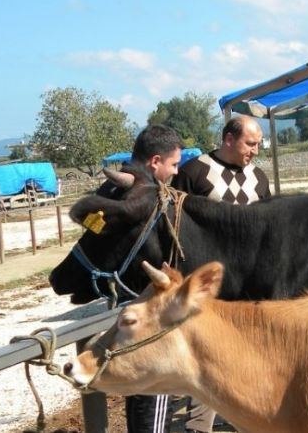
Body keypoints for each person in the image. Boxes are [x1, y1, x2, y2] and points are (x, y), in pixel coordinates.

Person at [171, 115, 270, 432]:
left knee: (252, 353)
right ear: (229, 139)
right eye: (250, 143)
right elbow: (174, 228)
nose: (255, 151)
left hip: (252, 283)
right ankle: (199, 425)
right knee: (208, 353)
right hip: (209, 284)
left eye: (258, 144)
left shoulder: (260, 178)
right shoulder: (193, 173)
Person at [102, 124, 184, 433]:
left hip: (126, 300)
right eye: (173, 164)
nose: (175, 172)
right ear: (154, 162)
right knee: (154, 388)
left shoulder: (111, 192)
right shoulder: (140, 196)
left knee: (142, 389)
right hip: (144, 301)